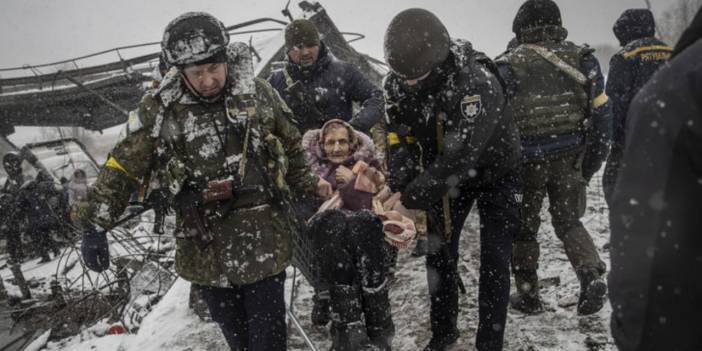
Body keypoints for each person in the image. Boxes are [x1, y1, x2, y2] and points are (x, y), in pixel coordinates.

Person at [76, 12, 330, 351]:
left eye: (214, 69)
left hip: (264, 242)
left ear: (226, 59)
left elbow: (291, 146)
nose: (208, 80)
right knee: (239, 343)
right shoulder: (161, 110)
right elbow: (123, 166)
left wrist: (308, 189)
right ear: (179, 72)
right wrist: (94, 225)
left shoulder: (257, 95)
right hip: (205, 249)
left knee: (268, 343)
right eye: (197, 73)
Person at [383, 8, 522, 351]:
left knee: (494, 259)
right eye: (404, 77)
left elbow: (460, 158)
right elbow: (399, 137)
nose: (409, 84)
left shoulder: (475, 83)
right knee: (438, 251)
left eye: (417, 76)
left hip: (496, 171)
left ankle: (489, 342)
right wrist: (399, 183)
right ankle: (443, 333)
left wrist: (410, 198)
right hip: (442, 172)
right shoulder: (396, 84)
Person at [495, 0, 612, 315]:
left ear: (521, 29)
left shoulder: (506, 65)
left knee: (524, 229)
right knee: (569, 221)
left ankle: (528, 295)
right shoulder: (584, 59)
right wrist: (587, 167)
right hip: (569, 156)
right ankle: (589, 274)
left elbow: (497, 125)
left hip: (525, 161)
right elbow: (603, 118)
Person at [608, 8, 702, 351]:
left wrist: (618, 143)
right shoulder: (669, 52)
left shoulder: (671, 80)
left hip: (648, 145)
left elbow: (615, 105)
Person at [302, 119, 414, 350]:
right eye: (330, 143)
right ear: (322, 145)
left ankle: (374, 318)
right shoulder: (311, 173)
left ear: (353, 144)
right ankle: (350, 322)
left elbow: (374, 202)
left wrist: (352, 183)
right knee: (332, 221)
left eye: (343, 141)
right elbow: (309, 211)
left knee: (364, 221)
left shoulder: (369, 166)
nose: (336, 148)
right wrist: (348, 187)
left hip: (367, 244)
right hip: (330, 246)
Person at [603, 8, 672, 205]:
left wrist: (615, 141)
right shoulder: (673, 51)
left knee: (614, 186)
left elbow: (615, 104)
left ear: (626, 31)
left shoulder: (625, 57)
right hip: (668, 136)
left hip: (633, 139)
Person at [268, 19, 384, 134]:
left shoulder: (344, 71)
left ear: (319, 44)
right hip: (296, 150)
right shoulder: (275, 82)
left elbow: (377, 98)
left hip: (340, 149)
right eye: (298, 47)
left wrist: (353, 128)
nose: (305, 52)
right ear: (288, 50)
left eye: (311, 45)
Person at [1, 152, 32, 299]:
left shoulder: (19, 182)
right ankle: (17, 256)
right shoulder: (9, 186)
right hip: (12, 222)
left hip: (14, 221)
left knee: (15, 241)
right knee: (14, 242)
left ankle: (17, 256)